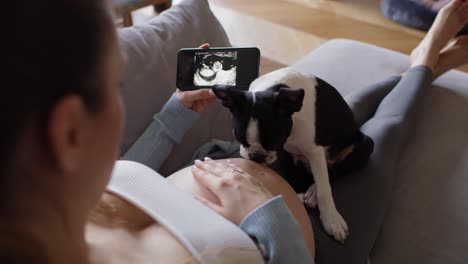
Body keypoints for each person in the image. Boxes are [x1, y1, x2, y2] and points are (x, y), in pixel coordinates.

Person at [2, 1, 468, 264]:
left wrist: (175, 113)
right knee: (384, 132)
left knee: (334, 106)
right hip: (316, 238)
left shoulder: (65, 203)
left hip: (246, 154)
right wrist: (268, 218)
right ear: (69, 134)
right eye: (113, 86)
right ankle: (425, 65)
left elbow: (127, 174)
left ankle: (419, 67)